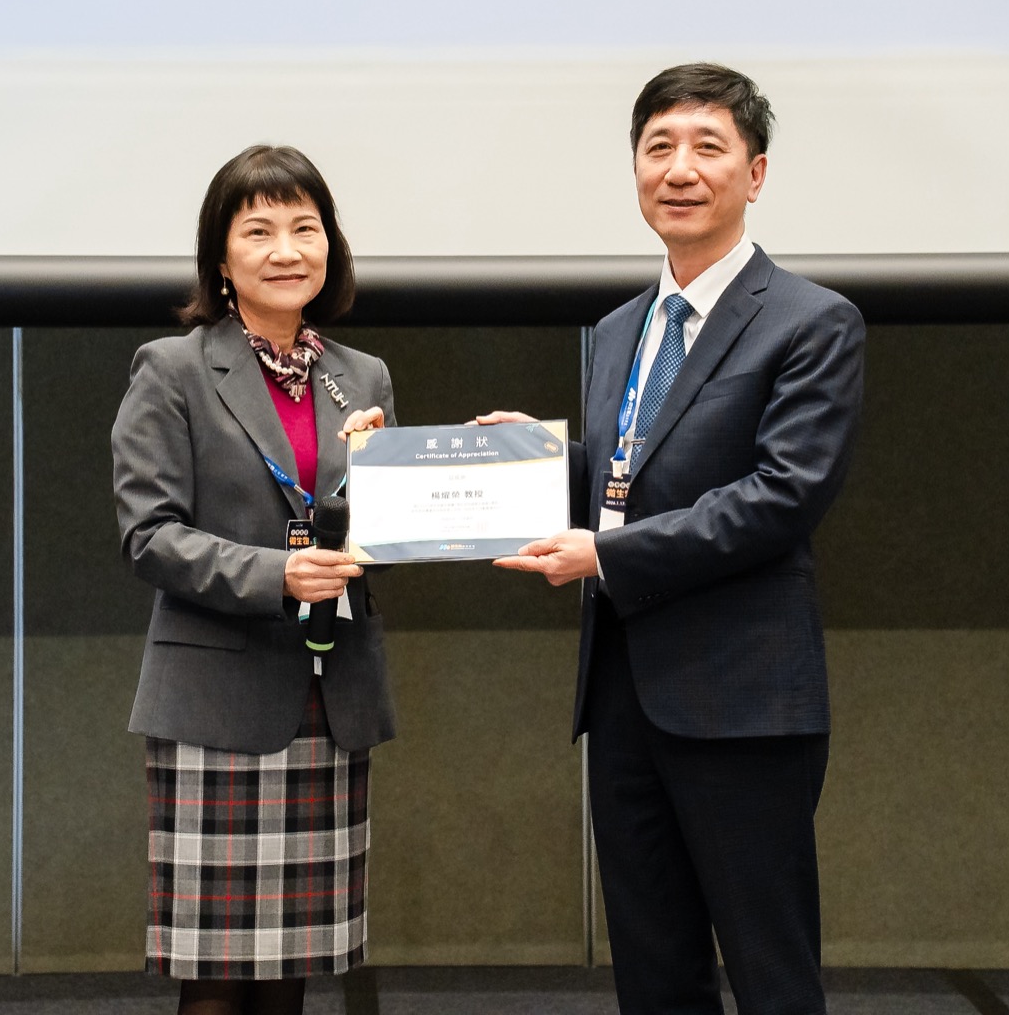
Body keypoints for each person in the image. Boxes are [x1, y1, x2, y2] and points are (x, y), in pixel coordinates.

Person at [481, 63, 864, 1014]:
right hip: (622, 695)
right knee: (655, 977)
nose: (679, 170)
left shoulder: (812, 321)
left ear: (755, 173)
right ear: (635, 169)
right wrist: (540, 463)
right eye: (659, 147)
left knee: (772, 975)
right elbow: (632, 477)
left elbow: (781, 495)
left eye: (707, 147)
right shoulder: (621, 328)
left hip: (743, 700)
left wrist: (605, 557)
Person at [111, 145, 395, 1015]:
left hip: (328, 697)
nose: (286, 250)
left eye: (305, 228)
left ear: (330, 247)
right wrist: (280, 574)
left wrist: (399, 493)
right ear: (221, 258)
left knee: (289, 975)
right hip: (219, 703)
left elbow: (374, 532)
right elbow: (148, 536)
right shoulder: (173, 369)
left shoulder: (360, 379)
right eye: (259, 231)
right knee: (217, 981)